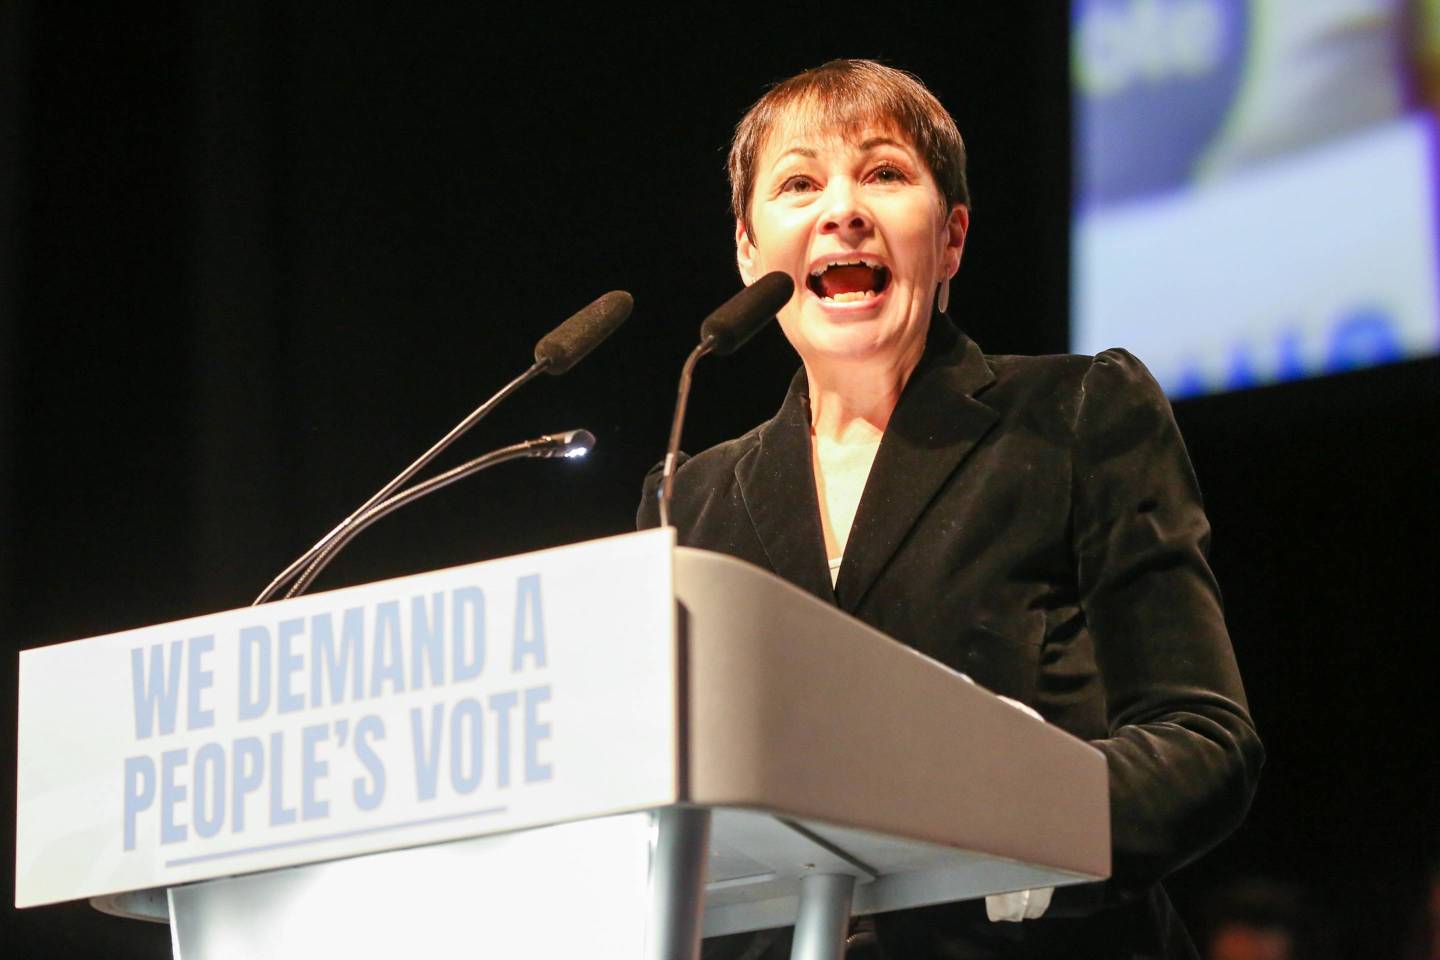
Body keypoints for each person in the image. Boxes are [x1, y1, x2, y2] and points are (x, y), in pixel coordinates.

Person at [637, 59, 1263, 959]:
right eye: (799, 183)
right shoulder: (689, 502)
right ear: (748, 250)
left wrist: (1020, 825)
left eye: (884, 173)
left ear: (951, 237)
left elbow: (1204, 742)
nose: (842, 209)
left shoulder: (1077, 415)